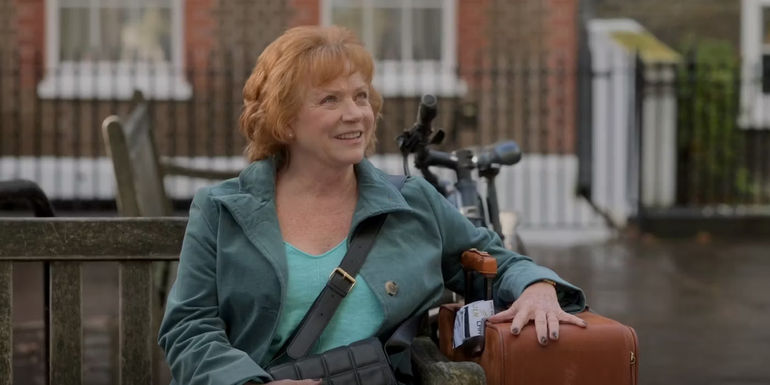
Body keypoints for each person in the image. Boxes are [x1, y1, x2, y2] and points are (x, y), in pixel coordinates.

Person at [158, 25, 587, 385]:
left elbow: (498, 259)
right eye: (330, 100)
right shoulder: (220, 209)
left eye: (360, 97)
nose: (355, 114)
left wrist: (538, 288)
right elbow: (189, 328)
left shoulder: (411, 202)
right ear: (284, 121)